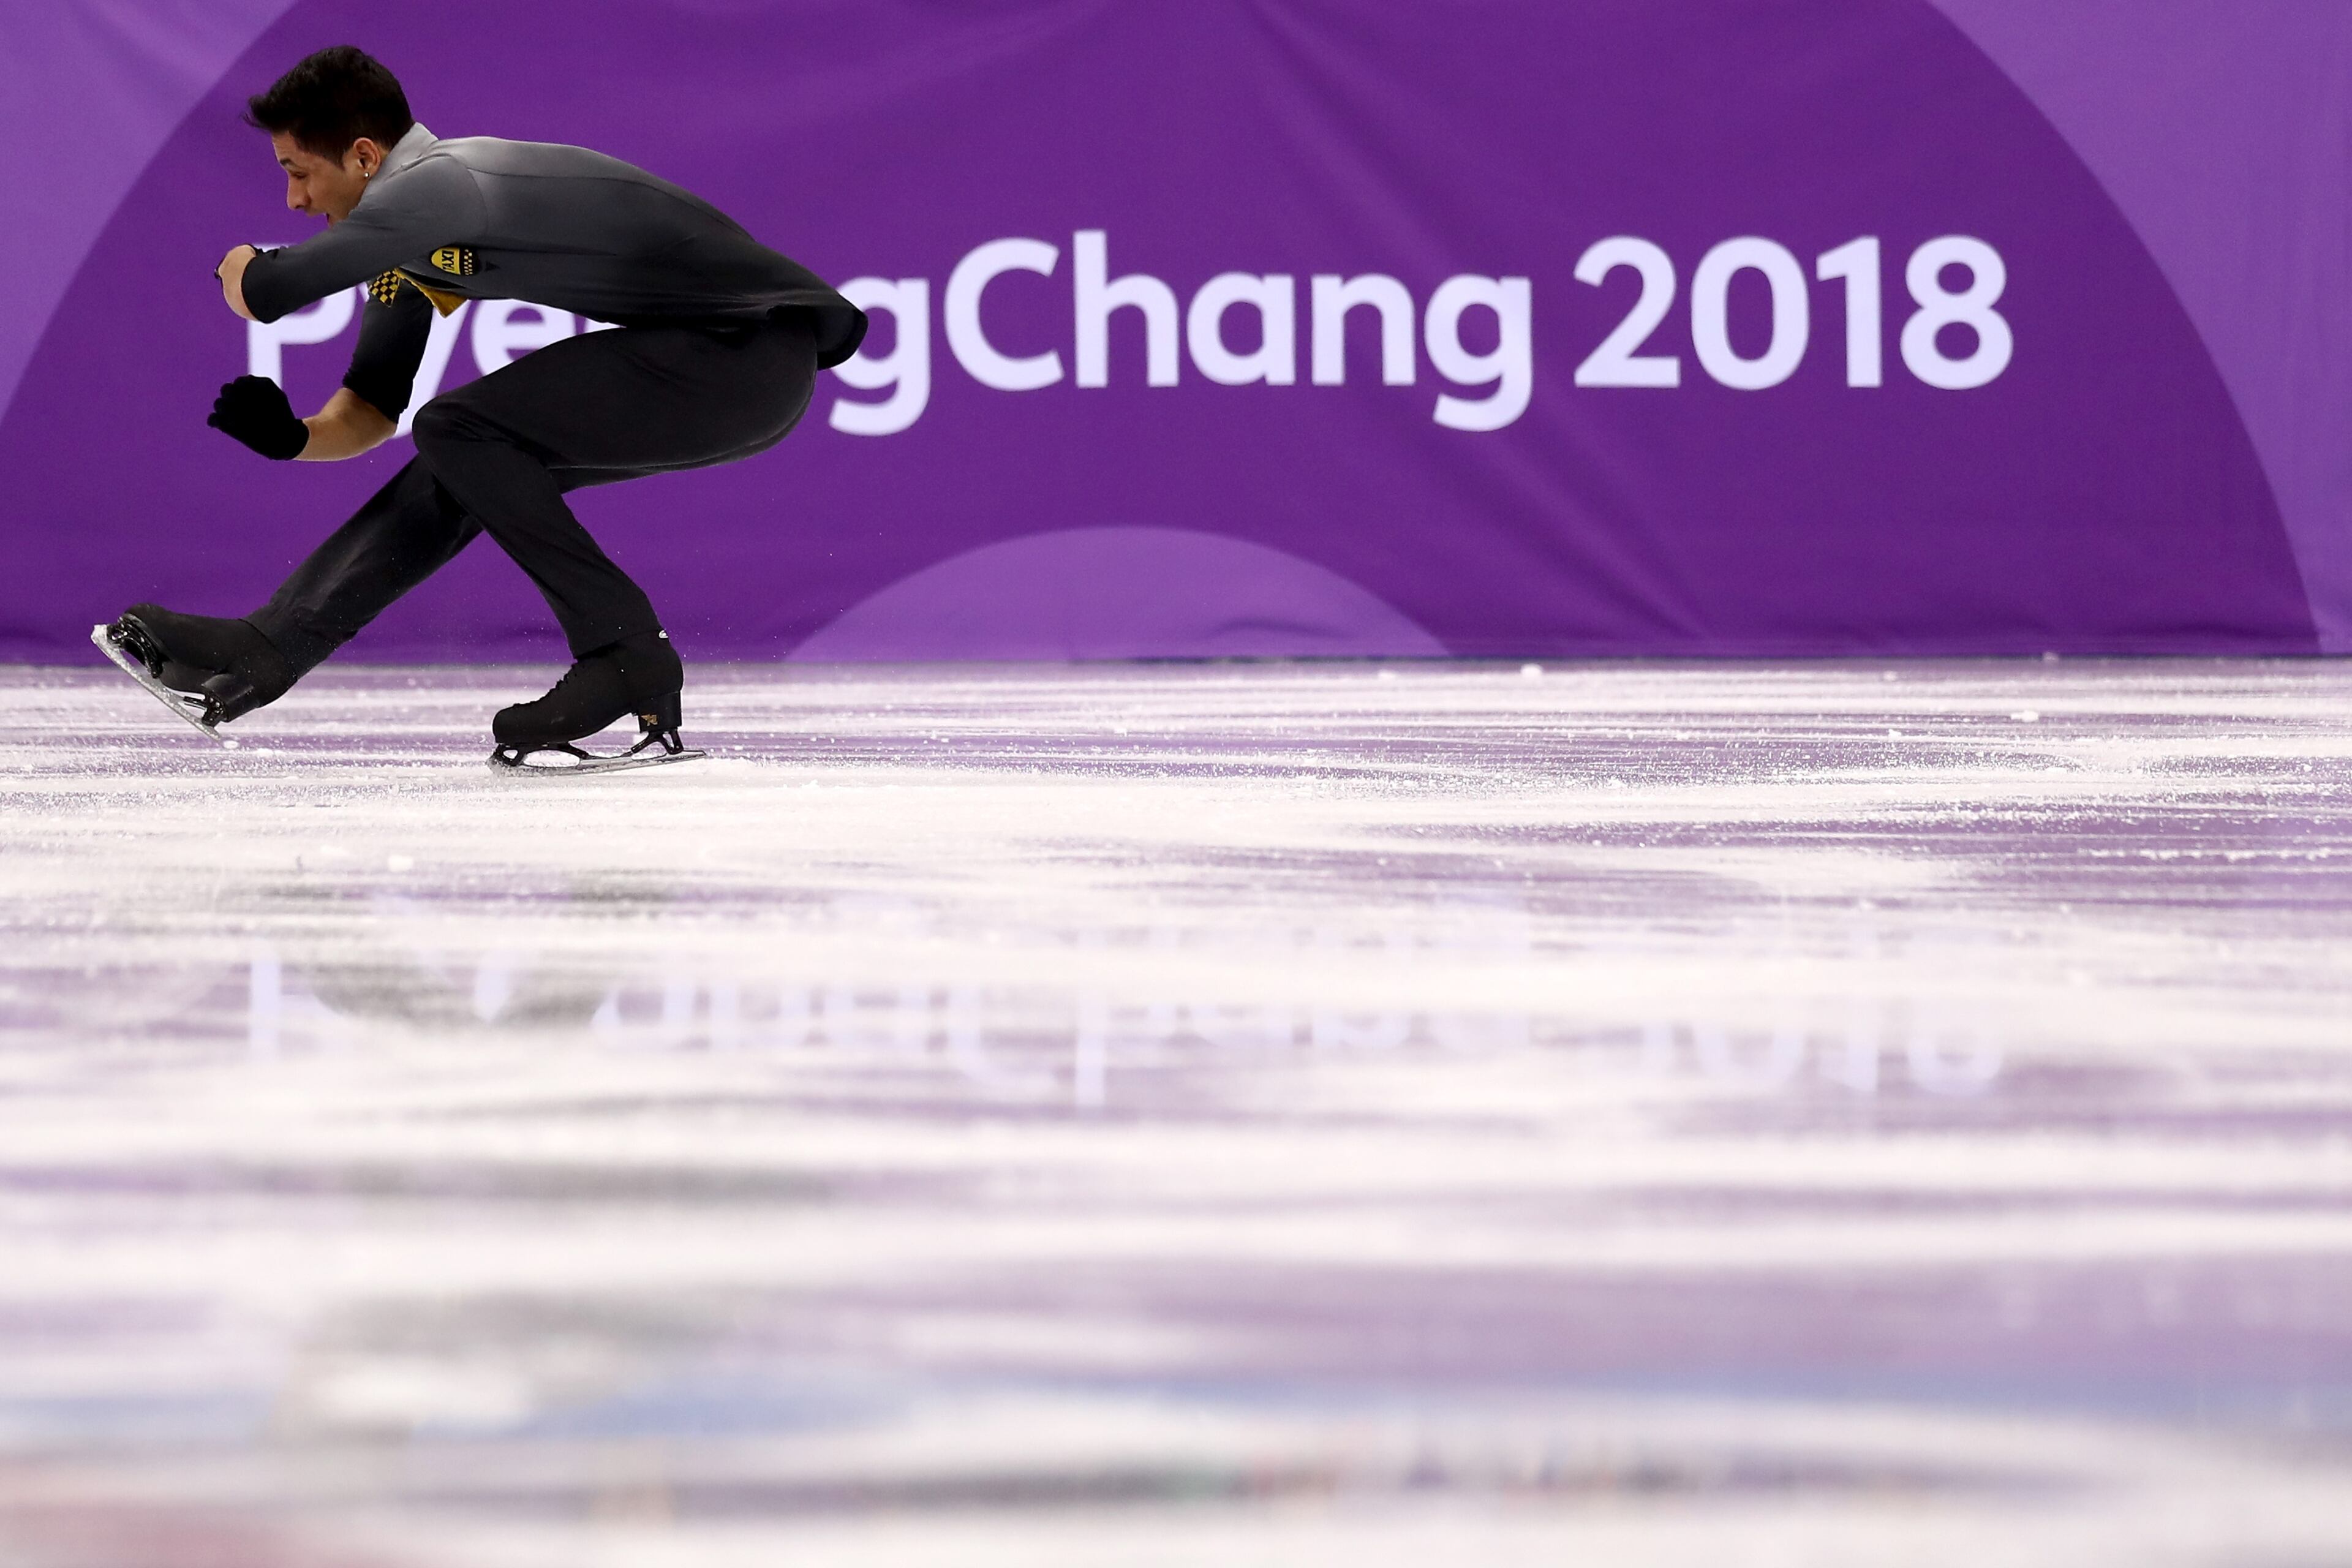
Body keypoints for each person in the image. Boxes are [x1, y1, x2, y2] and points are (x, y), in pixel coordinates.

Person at [103, 45, 864, 764]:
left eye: (298, 172)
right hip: (733, 368)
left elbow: (269, 291)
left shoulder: (441, 182)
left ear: (366, 155)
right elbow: (371, 407)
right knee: (459, 458)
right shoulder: (412, 247)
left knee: (460, 427)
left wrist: (242, 265)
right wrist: (292, 437)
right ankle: (267, 648)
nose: (294, 199)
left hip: (745, 352)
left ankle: (628, 652)